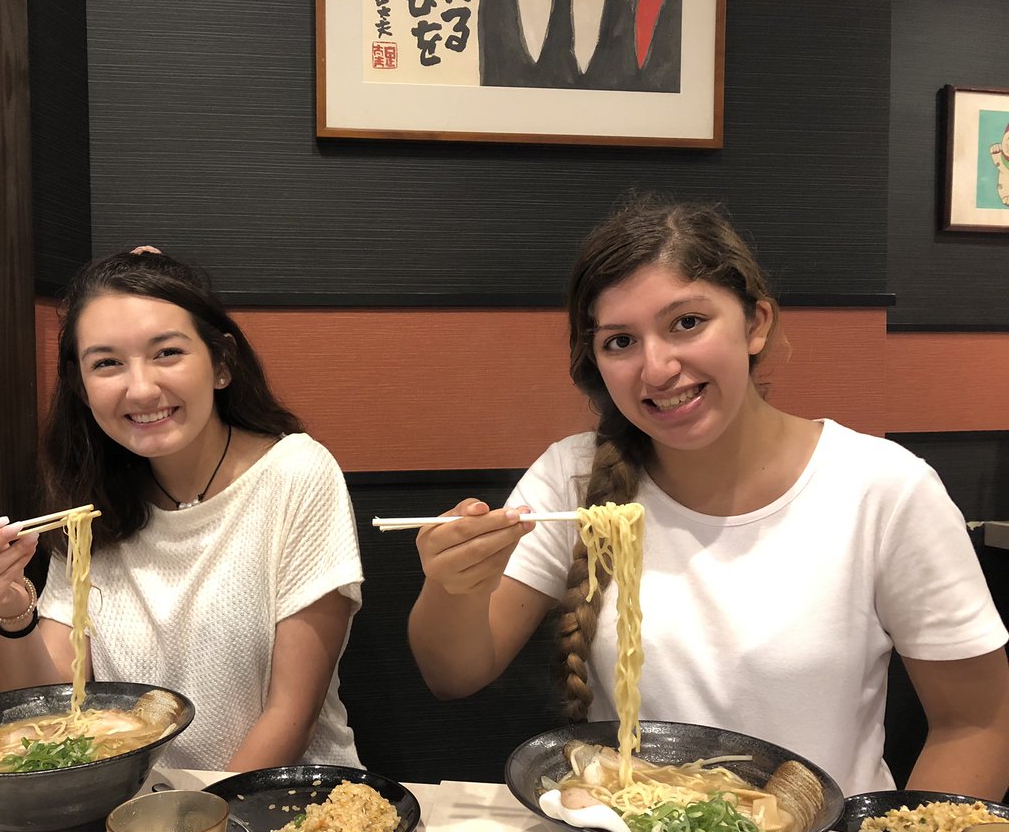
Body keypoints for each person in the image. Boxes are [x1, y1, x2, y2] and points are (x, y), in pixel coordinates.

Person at [408, 198, 1009, 798]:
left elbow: (977, 723)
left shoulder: (884, 489)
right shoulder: (573, 477)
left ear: (756, 324)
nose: (658, 368)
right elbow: (454, 674)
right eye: (620, 341)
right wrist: (452, 587)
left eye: (687, 323)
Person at [0, 249, 364, 771]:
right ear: (81, 386)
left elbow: (290, 718)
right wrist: (10, 610)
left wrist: (185, 830)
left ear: (222, 364)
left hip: (284, 811)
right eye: (107, 363)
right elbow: (46, 710)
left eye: (167, 353)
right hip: (132, 809)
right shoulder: (88, 504)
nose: (140, 389)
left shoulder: (295, 473)